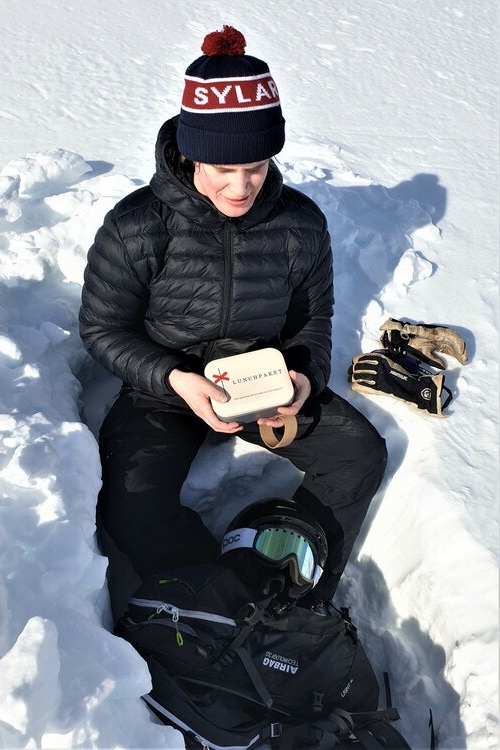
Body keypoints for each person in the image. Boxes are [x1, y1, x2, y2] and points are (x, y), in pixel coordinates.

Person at [79, 25, 387, 605]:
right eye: (223, 169)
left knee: (359, 453)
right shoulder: (136, 225)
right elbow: (101, 328)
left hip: (257, 382)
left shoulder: (300, 223)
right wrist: (174, 378)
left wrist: (303, 378)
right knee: (130, 505)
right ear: (192, 151)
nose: (241, 186)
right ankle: (223, 604)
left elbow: (312, 320)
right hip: (163, 389)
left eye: (257, 166)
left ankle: (293, 594)